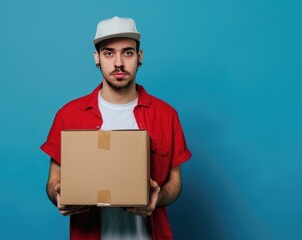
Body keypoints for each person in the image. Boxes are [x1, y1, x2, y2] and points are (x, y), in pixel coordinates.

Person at [41, 16, 192, 240]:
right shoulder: (69, 115)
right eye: (109, 53)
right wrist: (58, 195)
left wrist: (157, 199)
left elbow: (175, 182)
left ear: (139, 57)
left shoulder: (166, 115)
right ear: (97, 58)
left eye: (128, 52)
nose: (118, 62)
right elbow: (53, 181)